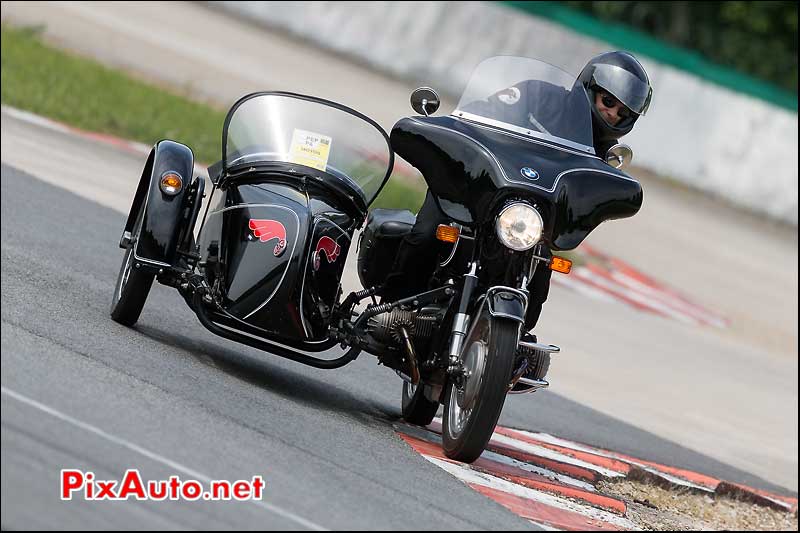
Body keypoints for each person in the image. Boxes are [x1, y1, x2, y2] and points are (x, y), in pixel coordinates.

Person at [388, 51, 653, 334]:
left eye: (623, 112)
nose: (612, 113)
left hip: (525, 222)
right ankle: (396, 308)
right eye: (608, 101)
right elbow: (475, 115)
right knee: (428, 232)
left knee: (541, 269)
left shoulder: (601, 153)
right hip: (478, 192)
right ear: (589, 86)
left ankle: (516, 346)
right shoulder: (538, 94)